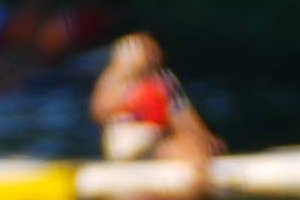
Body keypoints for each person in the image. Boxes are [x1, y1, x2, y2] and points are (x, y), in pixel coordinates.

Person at [88, 30, 218, 163]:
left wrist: (201, 137)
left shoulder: (163, 82)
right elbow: (100, 112)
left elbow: (183, 116)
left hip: (160, 137)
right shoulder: (112, 81)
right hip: (128, 140)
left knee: (191, 145)